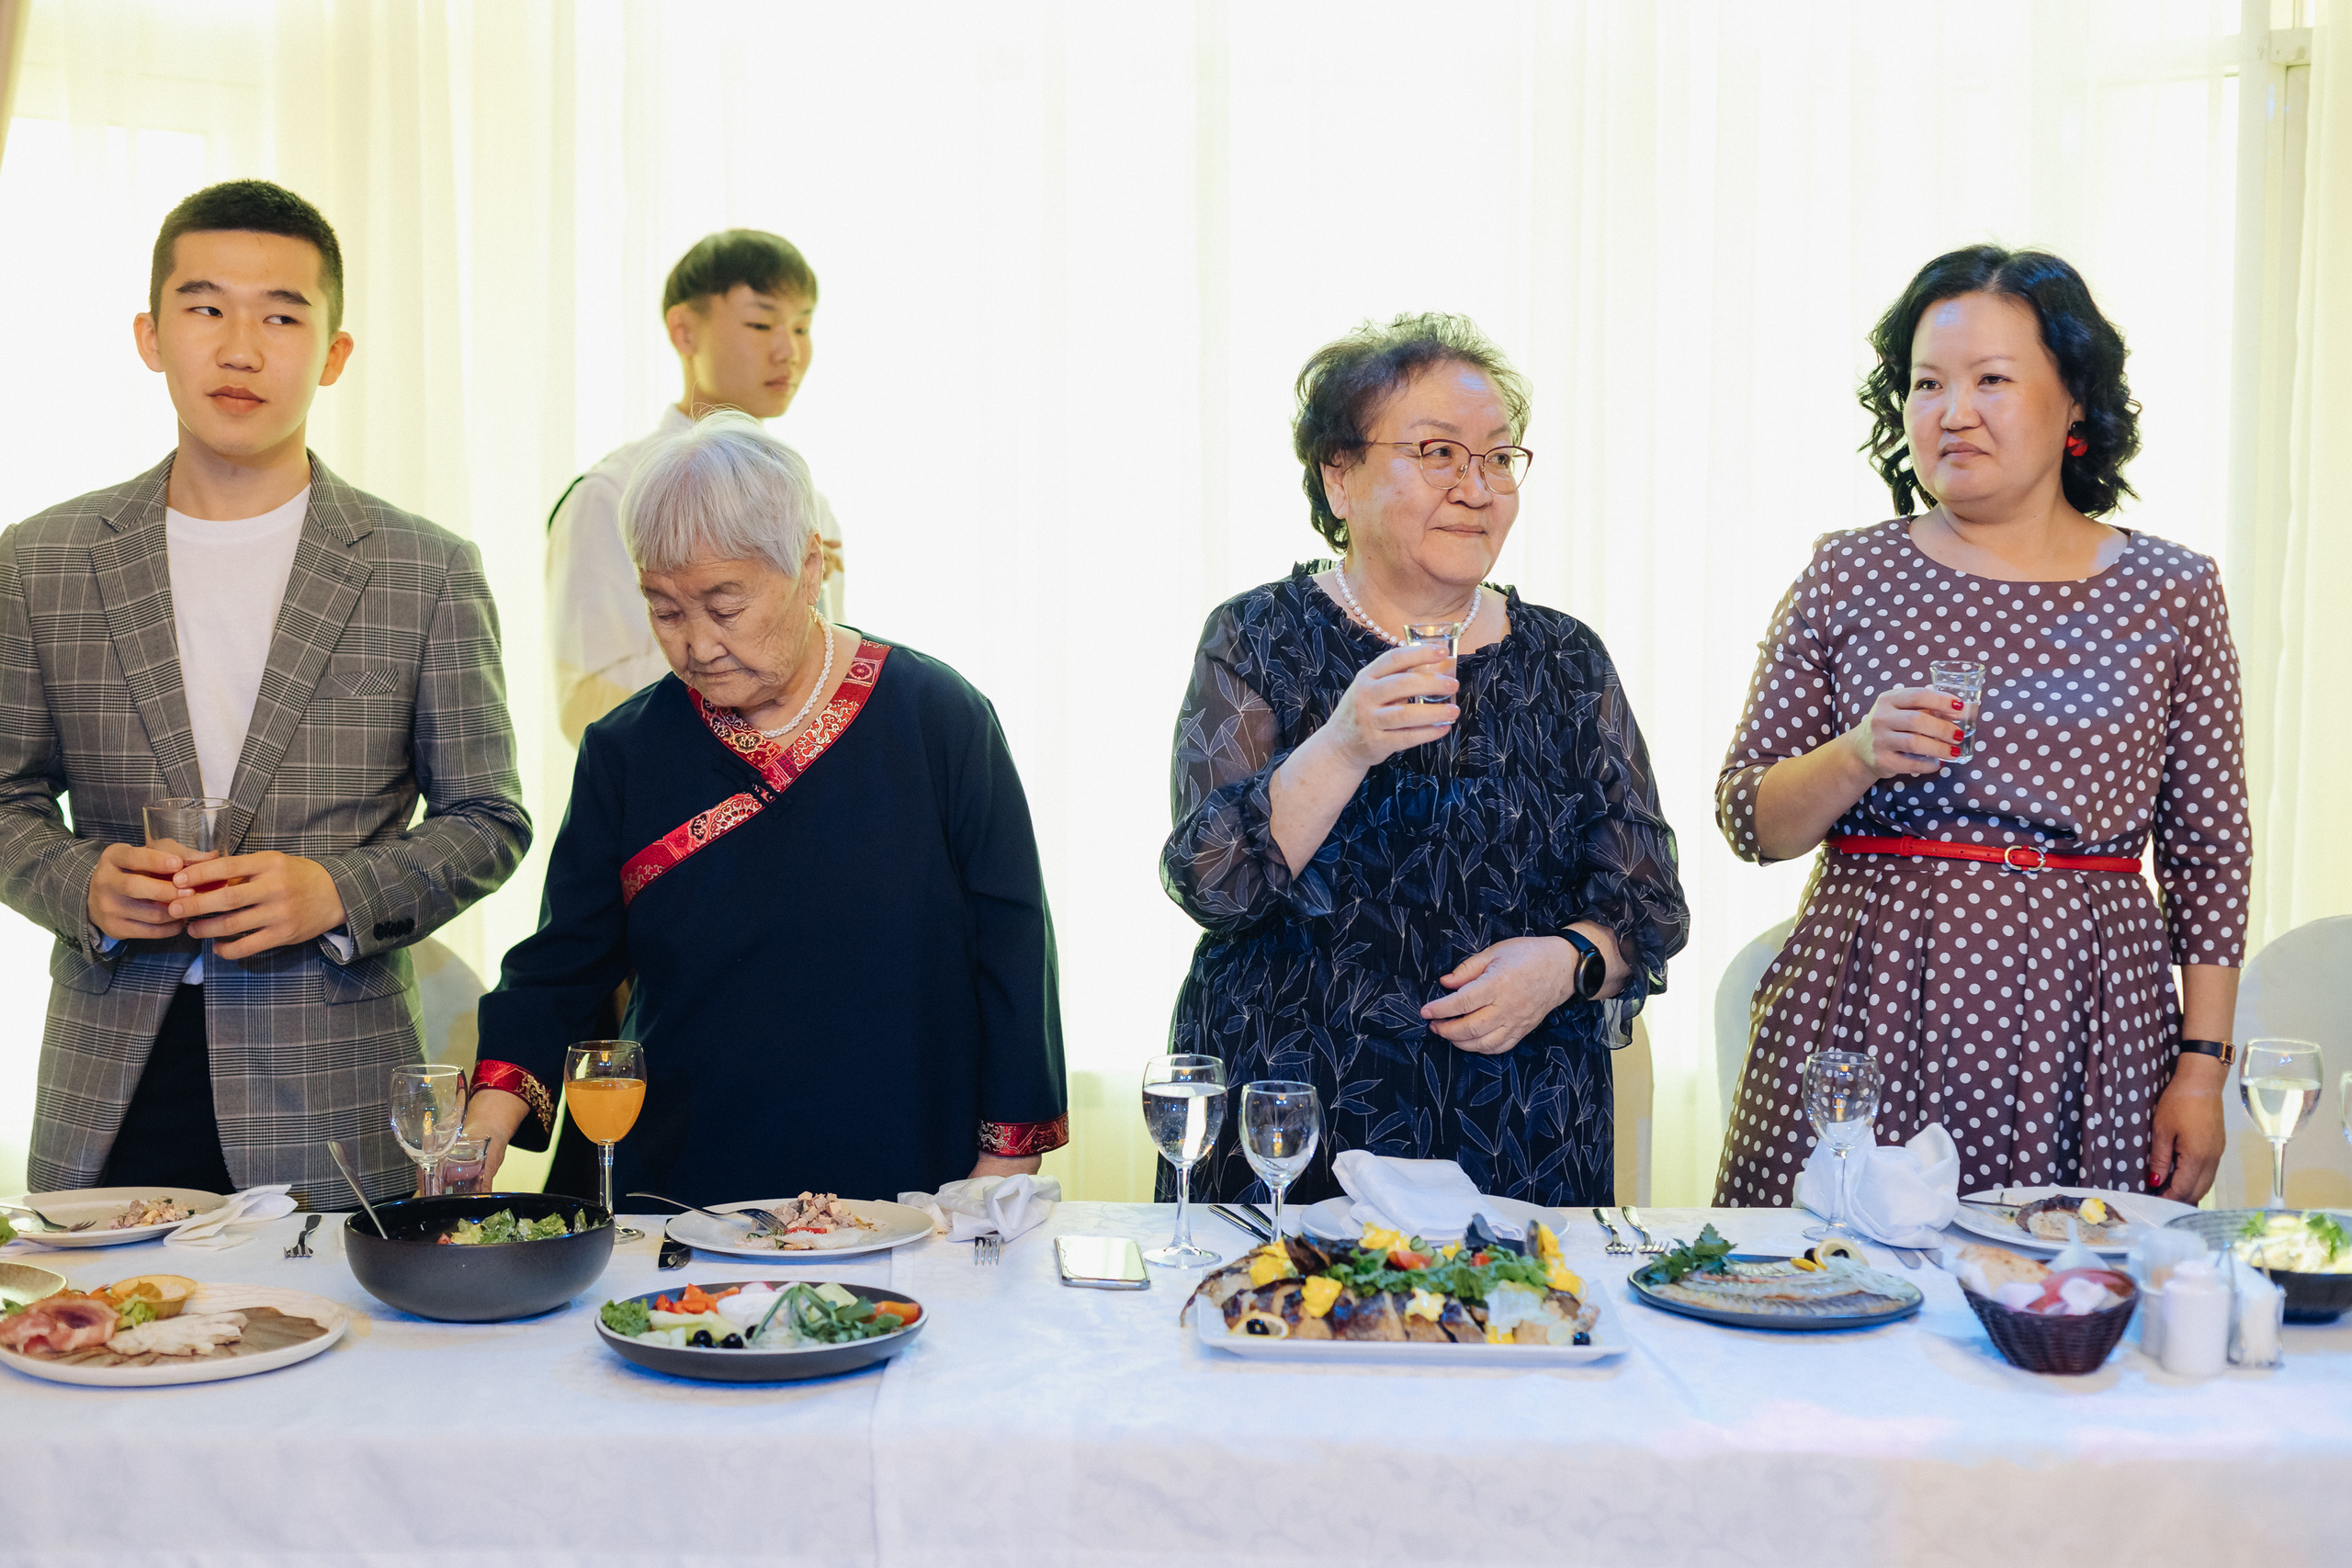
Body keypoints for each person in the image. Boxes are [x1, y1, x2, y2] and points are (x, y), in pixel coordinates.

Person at [0, 180, 531, 1202]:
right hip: (111, 1077)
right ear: (153, 336)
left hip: (332, 1082)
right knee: (103, 1347)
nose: (241, 347)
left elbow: (488, 818)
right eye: (206, 309)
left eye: (281, 316)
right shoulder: (40, 562)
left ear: (332, 355)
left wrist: (339, 893)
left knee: (342, 1354)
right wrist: (85, 887)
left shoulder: (424, 569)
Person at [1712, 244, 2248, 1208]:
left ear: (2074, 398)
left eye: (1990, 380)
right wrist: (1857, 754)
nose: (1952, 412)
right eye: (1925, 385)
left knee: (2056, 1314)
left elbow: (2210, 852)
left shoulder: (2173, 590)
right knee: (1822, 1301)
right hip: (1864, 1001)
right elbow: (1752, 820)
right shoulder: (1849, 573)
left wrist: (2202, 1067)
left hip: (2090, 1012)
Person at [465, 412, 1066, 1204]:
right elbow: (560, 967)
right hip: (687, 1191)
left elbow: (1015, 945)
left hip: (908, 1179)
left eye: (725, 604)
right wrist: (479, 1134)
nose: (697, 645)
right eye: (665, 609)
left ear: (809, 567)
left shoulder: (938, 719)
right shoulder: (627, 750)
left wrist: (1001, 1169)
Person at [1162, 313, 1688, 1211]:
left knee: (1517, 1335)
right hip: (1297, 1118)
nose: (1474, 488)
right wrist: (1342, 743)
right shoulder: (1257, 635)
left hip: (1519, 1121)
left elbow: (1648, 902)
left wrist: (1566, 961)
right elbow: (1212, 881)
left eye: (1495, 458)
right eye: (1436, 453)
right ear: (1339, 476)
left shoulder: (1565, 659)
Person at [547, 229, 846, 745]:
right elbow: (586, 708)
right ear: (684, 332)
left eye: (802, 327)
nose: (788, 350)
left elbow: (829, 686)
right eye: (761, 322)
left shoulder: (808, 501)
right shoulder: (609, 495)